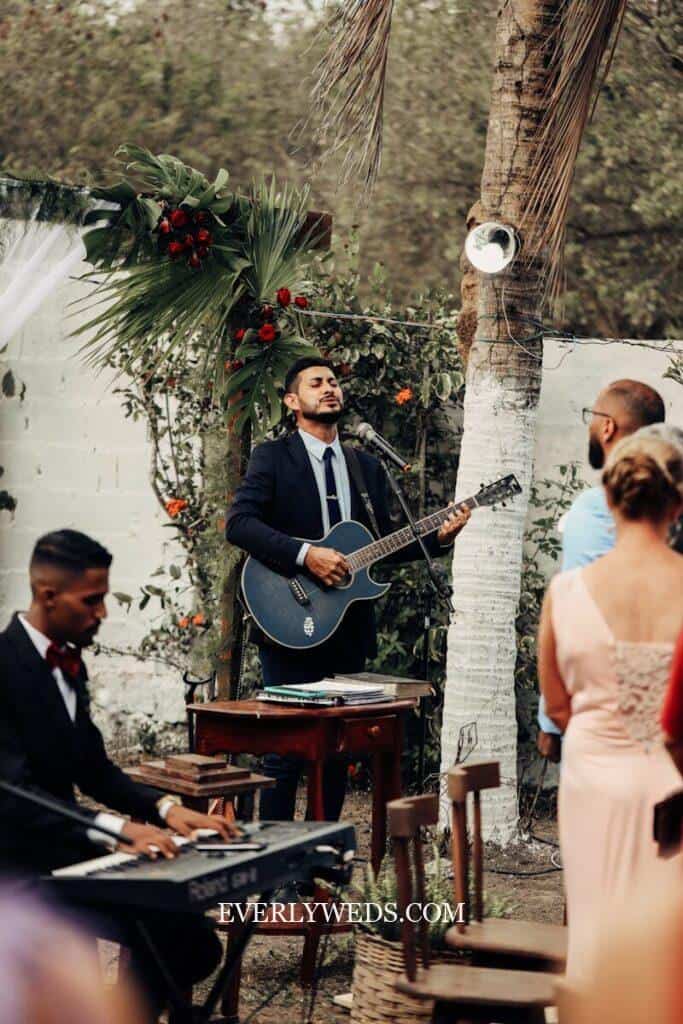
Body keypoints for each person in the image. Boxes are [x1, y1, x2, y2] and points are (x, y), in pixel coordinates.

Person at [0, 529, 238, 1018]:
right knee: (167, 938)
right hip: (18, 875)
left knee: (189, 939)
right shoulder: (3, 667)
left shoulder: (69, 664)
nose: (102, 614)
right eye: (92, 600)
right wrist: (117, 831)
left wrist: (167, 810)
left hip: (67, 857)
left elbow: (93, 769)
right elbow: (16, 797)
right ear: (48, 596)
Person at [227, 357, 470, 820]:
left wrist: (438, 539)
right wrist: (305, 555)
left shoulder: (365, 468)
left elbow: (379, 547)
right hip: (286, 619)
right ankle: (279, 865)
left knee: (336, 749)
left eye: (334, 381)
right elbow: (239, 525)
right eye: (316, 383)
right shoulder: (273, 458)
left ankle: (319, 864)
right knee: (286, 750)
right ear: (292, 401)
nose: (329, 388)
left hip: (345, 624)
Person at [538, 428, 683, 983]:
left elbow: (557, 703)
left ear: (609, 497)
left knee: (596, 940)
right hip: (674, 786)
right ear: (678, 503)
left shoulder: (567, 593)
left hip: (592, 778)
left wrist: (611, 731)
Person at [537, 379, 666, 763]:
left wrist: (550, 722)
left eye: (591, 417)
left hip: (611, 726)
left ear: (607, 427)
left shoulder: (595, 509)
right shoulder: (672, 501)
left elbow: (577, 627)